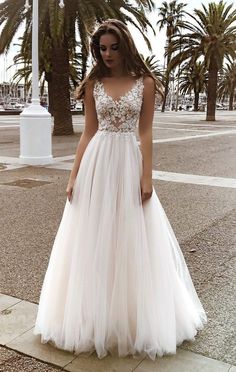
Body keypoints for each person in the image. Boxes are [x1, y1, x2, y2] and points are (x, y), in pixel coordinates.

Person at [33, 19, 207, 361]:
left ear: (125, 45)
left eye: (113, 47)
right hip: (97, 165)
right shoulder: (94, 83)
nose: (108, 53)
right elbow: (87, 133)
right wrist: (73, 176)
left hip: (128, 162)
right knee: (93, 239)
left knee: (132, 238)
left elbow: (145, 133)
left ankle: (131, 317)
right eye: (102, 48)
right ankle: (93, 317)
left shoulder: (145, 82)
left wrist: (146, 177)